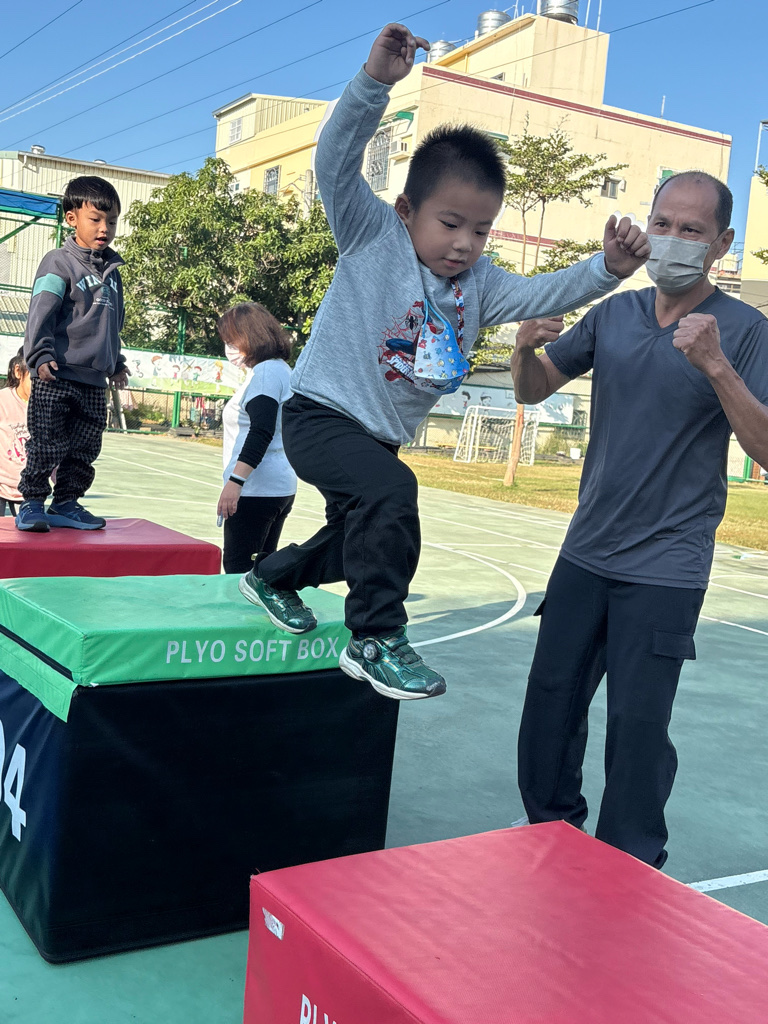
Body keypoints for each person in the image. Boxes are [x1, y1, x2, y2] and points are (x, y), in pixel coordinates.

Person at [238, 23, 650, 701]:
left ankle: (271, 577)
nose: (464, 244)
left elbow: (544, 292)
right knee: (393, 497)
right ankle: (375, 639)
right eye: (450, 224)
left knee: (362, 536)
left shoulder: (481, 285)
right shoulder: (373, 234)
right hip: (320, 415)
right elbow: (334, 162)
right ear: (408, 210)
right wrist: (375, 84)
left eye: (481, 230)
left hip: (378, 438)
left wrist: (608, 268)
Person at [513, 171, 768, 868]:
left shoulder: (745, 331)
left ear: (721, 244)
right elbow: (535, 390)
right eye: (663, 223)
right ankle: (549, 830)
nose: (673, 239)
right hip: (586, 549)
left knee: (637, 723)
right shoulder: (613, 314)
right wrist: (523, 349)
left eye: (692, 230)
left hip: (667, 565)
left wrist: (716, 366)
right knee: (550, 702)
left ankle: (631, 859)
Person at [17, 175, 129, 533]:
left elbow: (112, 325)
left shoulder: (113, 273)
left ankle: (66, 502)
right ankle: (32, 503)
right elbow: (41, 312)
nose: (104, 229)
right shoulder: (58, 262)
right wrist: (39, 355)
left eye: (112, 222)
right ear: (71, 218)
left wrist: (117, 363)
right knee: (47, 443)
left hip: (94, 381)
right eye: (95, 219)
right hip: (57, 374)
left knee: (85, 448)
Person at [216, 302, 297, 574]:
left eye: (232, 342)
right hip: (277, 485)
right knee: (259, 572)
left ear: (250, 337)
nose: (228, 349)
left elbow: (261, 430)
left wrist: (236, 481)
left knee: (239, 571)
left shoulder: (265, 374)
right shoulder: (279, 369)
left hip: (257, 489)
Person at [0, 350, 31, 518]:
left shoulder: (46, 407)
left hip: (28, 490)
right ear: (19, 372)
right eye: (34, 379)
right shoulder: (3, 400)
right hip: (1, 484)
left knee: (30, 530)